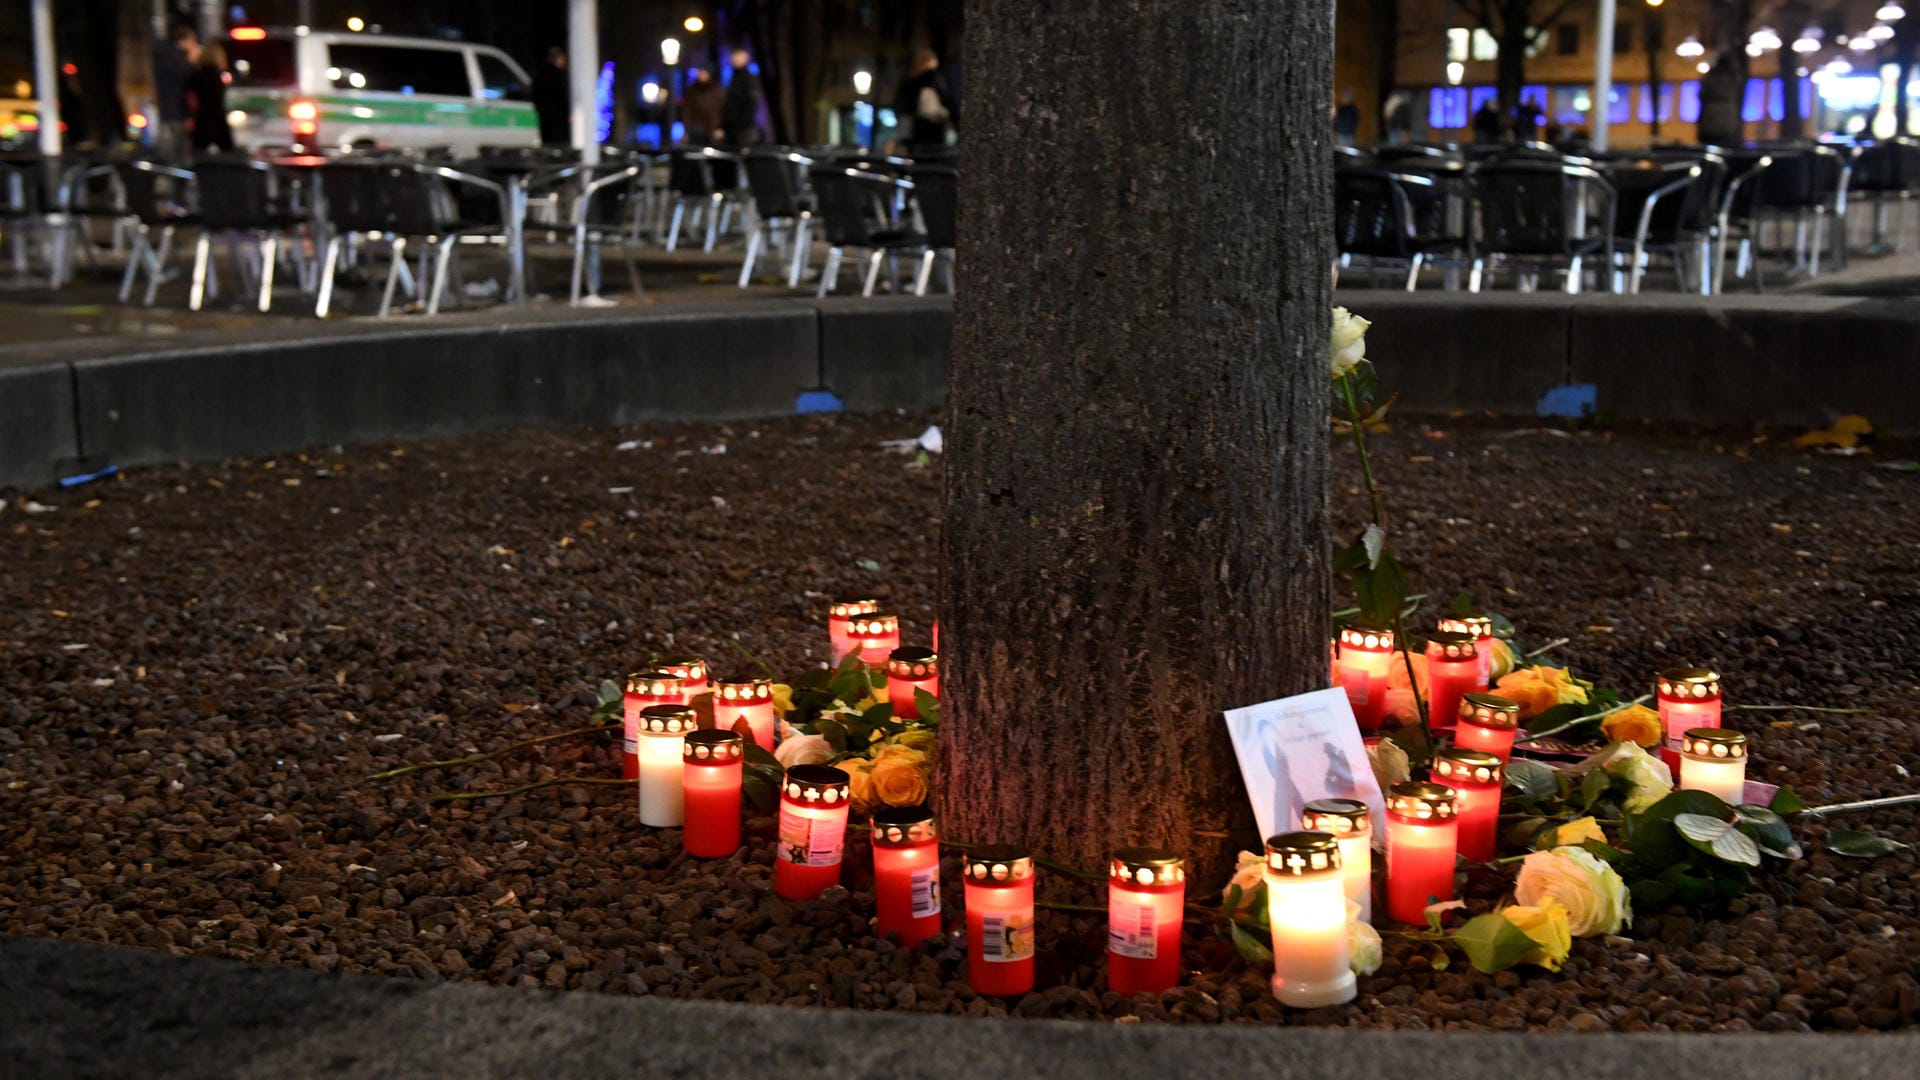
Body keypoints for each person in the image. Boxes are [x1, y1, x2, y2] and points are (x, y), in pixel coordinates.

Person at [892, 49, 953, 152]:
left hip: (913, 133)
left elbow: (900, 107)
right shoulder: (934, 80)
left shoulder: (909, 83)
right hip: (932, 132)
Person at [152, 23, 196, 161]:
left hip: (165, 108)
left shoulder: (161, 56)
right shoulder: (181, 60)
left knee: (168, 147)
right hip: (178, 110)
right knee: (178, 150)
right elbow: (188, 82)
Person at [185, 42, 232, 155]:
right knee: (226, 153)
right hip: (217, 118)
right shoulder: (217, 77)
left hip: (201, 118)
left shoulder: (196, 75)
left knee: (199, 154)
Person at [719, 49, 763, 148]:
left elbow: (751, 103)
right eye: (733, 58)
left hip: (744, 127)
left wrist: (744, 122)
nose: (734, 60)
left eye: (737, 58)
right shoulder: (733, 78)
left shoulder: (748, 79)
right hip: (732, 127)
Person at [531, 46, 569, 147]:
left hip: (545, 120)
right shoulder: (558, 76)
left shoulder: (539, 76)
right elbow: (563, 97)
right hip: (559, 122)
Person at [681, 69, 724, 145]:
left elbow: (722, 110)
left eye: (704, 72)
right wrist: (686, 131)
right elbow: (687, 112)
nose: (702, 75)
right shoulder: (692, 92)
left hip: (713, 130)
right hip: (696, 130)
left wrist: (720, 127)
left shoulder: (717, 91)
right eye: (700, 73)